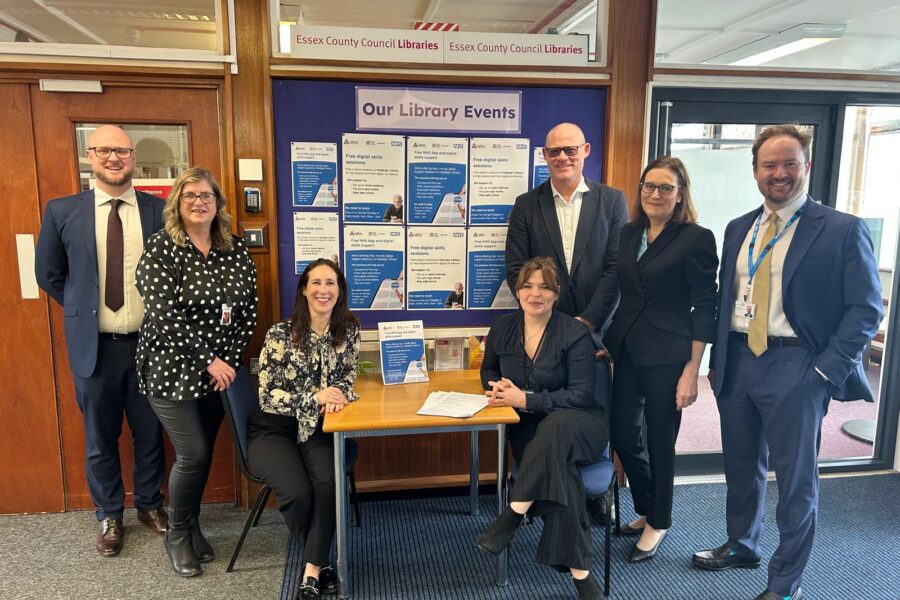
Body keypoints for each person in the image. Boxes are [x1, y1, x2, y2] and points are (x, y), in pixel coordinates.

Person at [692, 125, 882, 600]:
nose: (779, 174)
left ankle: (785, 582)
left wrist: (825, 371)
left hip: (799, 365)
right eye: (769, 165)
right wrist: (717, 362)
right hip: (739, 362)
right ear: (755, 171)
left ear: (806, 166)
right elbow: (727, 299)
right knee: (740, 466)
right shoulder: (740, 227)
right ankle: (742, 544)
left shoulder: (841, 229)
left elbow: (866, 308)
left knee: (795, 482)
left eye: (788, 163)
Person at [34, 124, 168, 557]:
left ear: (134, 158)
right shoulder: (62, 211)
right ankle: (109, 514)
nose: (115, 158)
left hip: (150, 345)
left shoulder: (157, 211)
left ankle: (149, 505)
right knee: (100, 437)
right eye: (105, 151)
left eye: (123, 151)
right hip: (95, 346)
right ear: (90, 155)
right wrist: (83, 307)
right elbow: (50, 275)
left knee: (150, 433)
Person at [135, 167, 258, 577]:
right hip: (172, 368)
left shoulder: (234, 249)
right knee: (194, 453)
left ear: (218, 204)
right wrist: (209, 359)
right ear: (177, 203)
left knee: (202, 456)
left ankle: (193, 528)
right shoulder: (162, 249)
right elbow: (164, 315)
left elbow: (247, 312)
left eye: (206, 195)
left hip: (219, 373)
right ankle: (177, 533)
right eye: (189, 196)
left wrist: (227, 362)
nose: (198, 202)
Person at [604, 157, 718, 563]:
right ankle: (650, 505)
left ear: (681, 194)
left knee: (660, 440)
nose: (655, 194)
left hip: (670, 356)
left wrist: (693, 370)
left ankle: (659, 521)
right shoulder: (630, 232)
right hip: (628, 349)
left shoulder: (696, 238)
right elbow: (625, 293)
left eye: (665, 188)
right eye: (649, 186)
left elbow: (706, 306)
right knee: (621, 432)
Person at [476, 257, 608, 600]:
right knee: (561, 473)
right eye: (528, 286)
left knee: (558, 427)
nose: (536, 294)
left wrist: (526, 400)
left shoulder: (574, 332)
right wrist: (498, 387)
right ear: (518, 291)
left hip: (581, 423)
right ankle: (582, 575)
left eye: (544, 287)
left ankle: (514, 512)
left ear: (556, 293)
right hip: (530, 430)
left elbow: (580, 395)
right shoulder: (502, 328)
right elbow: (487, 370)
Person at [248, 258, 360, 600]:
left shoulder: (349, 330)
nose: (323, 290)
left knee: (327, 483)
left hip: (323, 428)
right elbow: (268, 396)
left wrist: (338, 395)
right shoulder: (280, 334)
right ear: (304, 290)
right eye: (316, 283)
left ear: (339, 292)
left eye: (331, 283)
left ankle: (312, 569)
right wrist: (315, 397)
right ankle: (324, 562)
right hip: (275, 429)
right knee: (299, 493)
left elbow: (347, 378)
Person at [506, 122, 628, 351]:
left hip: (597, 338)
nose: (562, 158)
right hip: (542, 336)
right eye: (554, 151)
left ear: (586, 150)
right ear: (545, 155)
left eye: (570, 150)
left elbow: (617, 269)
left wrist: (589, 321)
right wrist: (548, 322)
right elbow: (516, 270)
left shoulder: (612, 202)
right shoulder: (526, 205)